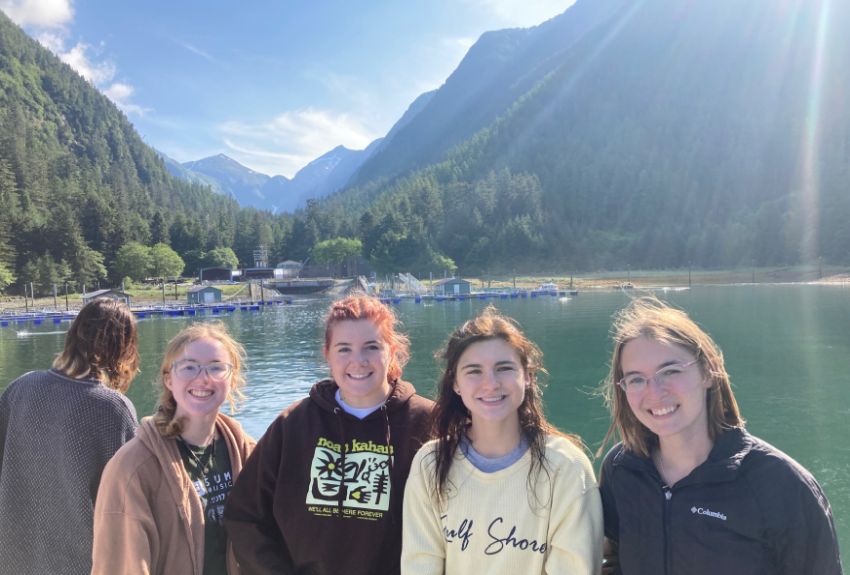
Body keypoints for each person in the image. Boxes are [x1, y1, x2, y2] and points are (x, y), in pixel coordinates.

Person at [598, 296, 844, 575]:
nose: (654, 392)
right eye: (636, 379)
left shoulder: (780, 482)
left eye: (670, 371)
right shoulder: (621, 469)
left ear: (708, 372)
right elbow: (614, 560)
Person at [224, 294, 434, 575]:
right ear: (327, 354)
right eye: (344, 349)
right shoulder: (293, 425)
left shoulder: (428, 423)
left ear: (392, 351)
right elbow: (245, 516)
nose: (358, 361)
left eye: (371, 347)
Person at [402, 306, 603, 574]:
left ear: (528, 377)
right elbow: (420, 563)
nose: (491, 383)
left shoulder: (566, 467)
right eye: (474, 371)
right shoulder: (430, 463)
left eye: (504, 368)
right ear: (456, 383)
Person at [92, 322, 255, 575]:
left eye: (216, 367)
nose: (203, 378)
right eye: (189, 367)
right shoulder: (132, 468)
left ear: (232, 379)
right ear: (169, 379)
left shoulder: (249, 455)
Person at [0, 298, 139, 575]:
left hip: (12, 556)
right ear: (124, 348)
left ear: (73, 333)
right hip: (78, 563)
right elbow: (129, 505)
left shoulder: (20, 387)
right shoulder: (112, 408)